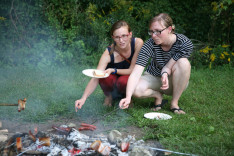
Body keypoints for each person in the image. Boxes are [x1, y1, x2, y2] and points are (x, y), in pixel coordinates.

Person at [119, 13, 193, 114]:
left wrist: (166, 73)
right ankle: (157, 95)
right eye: (151, 32)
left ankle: (174, 103)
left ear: (169, 29)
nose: (154, 36)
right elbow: (136, 73)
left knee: (184, 63)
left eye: (158, 31)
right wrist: (128, 97)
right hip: (153, 77)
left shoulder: (184, 43)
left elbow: (169, 66)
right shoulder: (149, 45)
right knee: (135, 89)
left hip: (173, 81)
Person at [75, 20, 143, 111]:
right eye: (117, 37)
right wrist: (83, 98)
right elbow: (96, 77)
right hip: (112, 81)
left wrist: (113, 70)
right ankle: (109, 96)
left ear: (130, 34)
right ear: (113, 37)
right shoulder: (108, 53)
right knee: (105, 77)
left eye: (124, 36)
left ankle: (127, 97)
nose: (121, 40)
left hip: (127, 78)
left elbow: (132, 70)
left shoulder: (137, 43)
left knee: (123, 81)